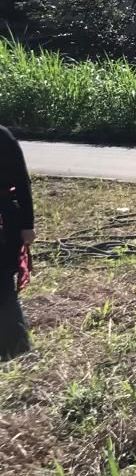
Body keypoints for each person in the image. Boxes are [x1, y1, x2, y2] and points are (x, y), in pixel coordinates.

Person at [0, 126, 34, 360]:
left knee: (3, 280)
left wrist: (27, 225)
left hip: (5, 220)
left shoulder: (3, 137)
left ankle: (17, 345)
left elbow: (22, 182)